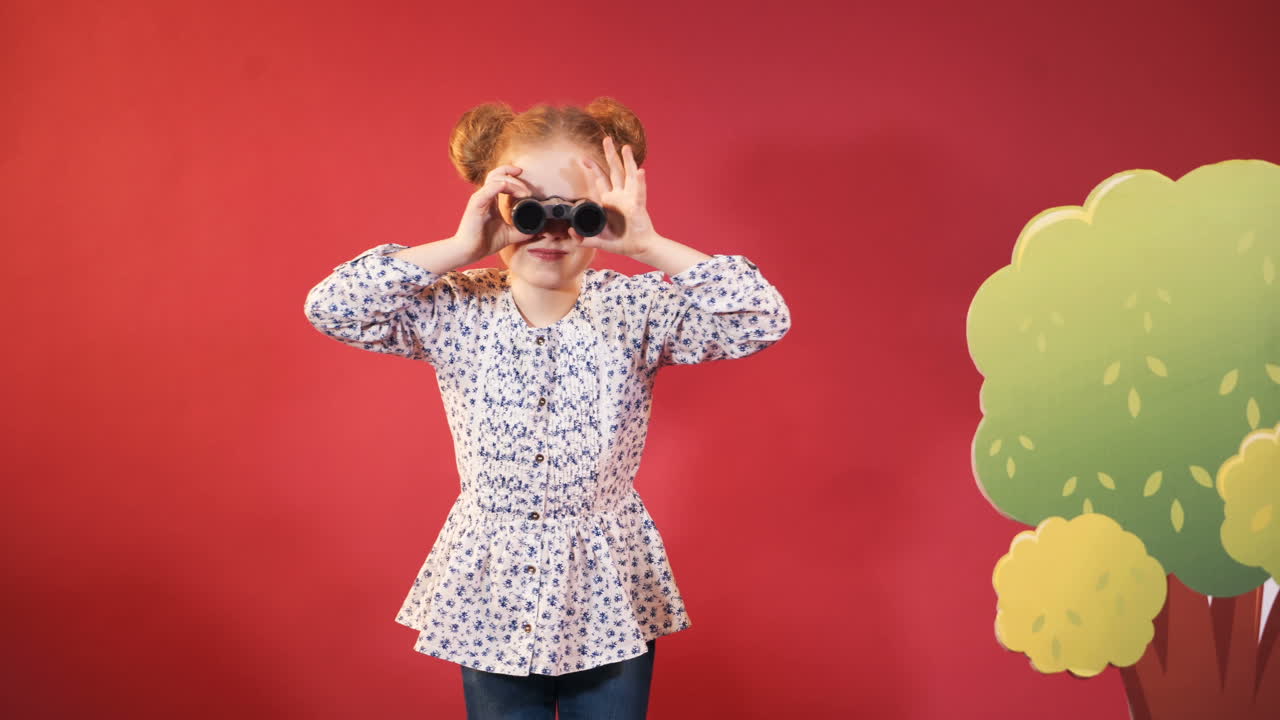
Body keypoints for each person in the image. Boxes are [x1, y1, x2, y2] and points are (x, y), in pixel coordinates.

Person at [303, 97, 791, 719]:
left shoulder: (637, 310)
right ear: (494, 202)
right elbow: (332, 306)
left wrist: (645, 243)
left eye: (580, 212)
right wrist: (462, 245)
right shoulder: (455, 308)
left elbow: (761, 320)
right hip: (490, 580)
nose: (551, 230)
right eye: (528, 209)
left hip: (606, 581)